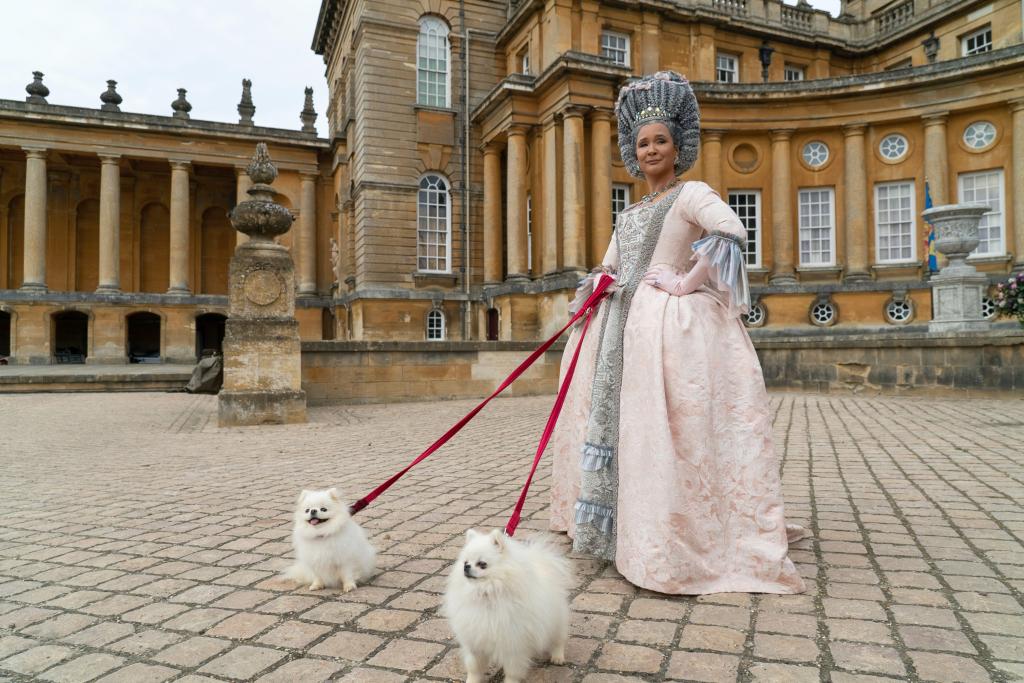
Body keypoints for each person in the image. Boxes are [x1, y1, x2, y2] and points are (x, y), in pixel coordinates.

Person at [550, 71, 806, 595]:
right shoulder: (631, 210)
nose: (650, 150)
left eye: (659, 140)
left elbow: (731, 230)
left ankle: (668, 540)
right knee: (617, 432)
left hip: (661, 331)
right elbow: (608, 267)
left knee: (663, 433)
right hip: (618, 329)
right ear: (633, 150)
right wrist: (594, 291)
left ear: (677, 145)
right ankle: (616, 532)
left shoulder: (692, 193)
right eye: (642, 143)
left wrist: (686, 283)